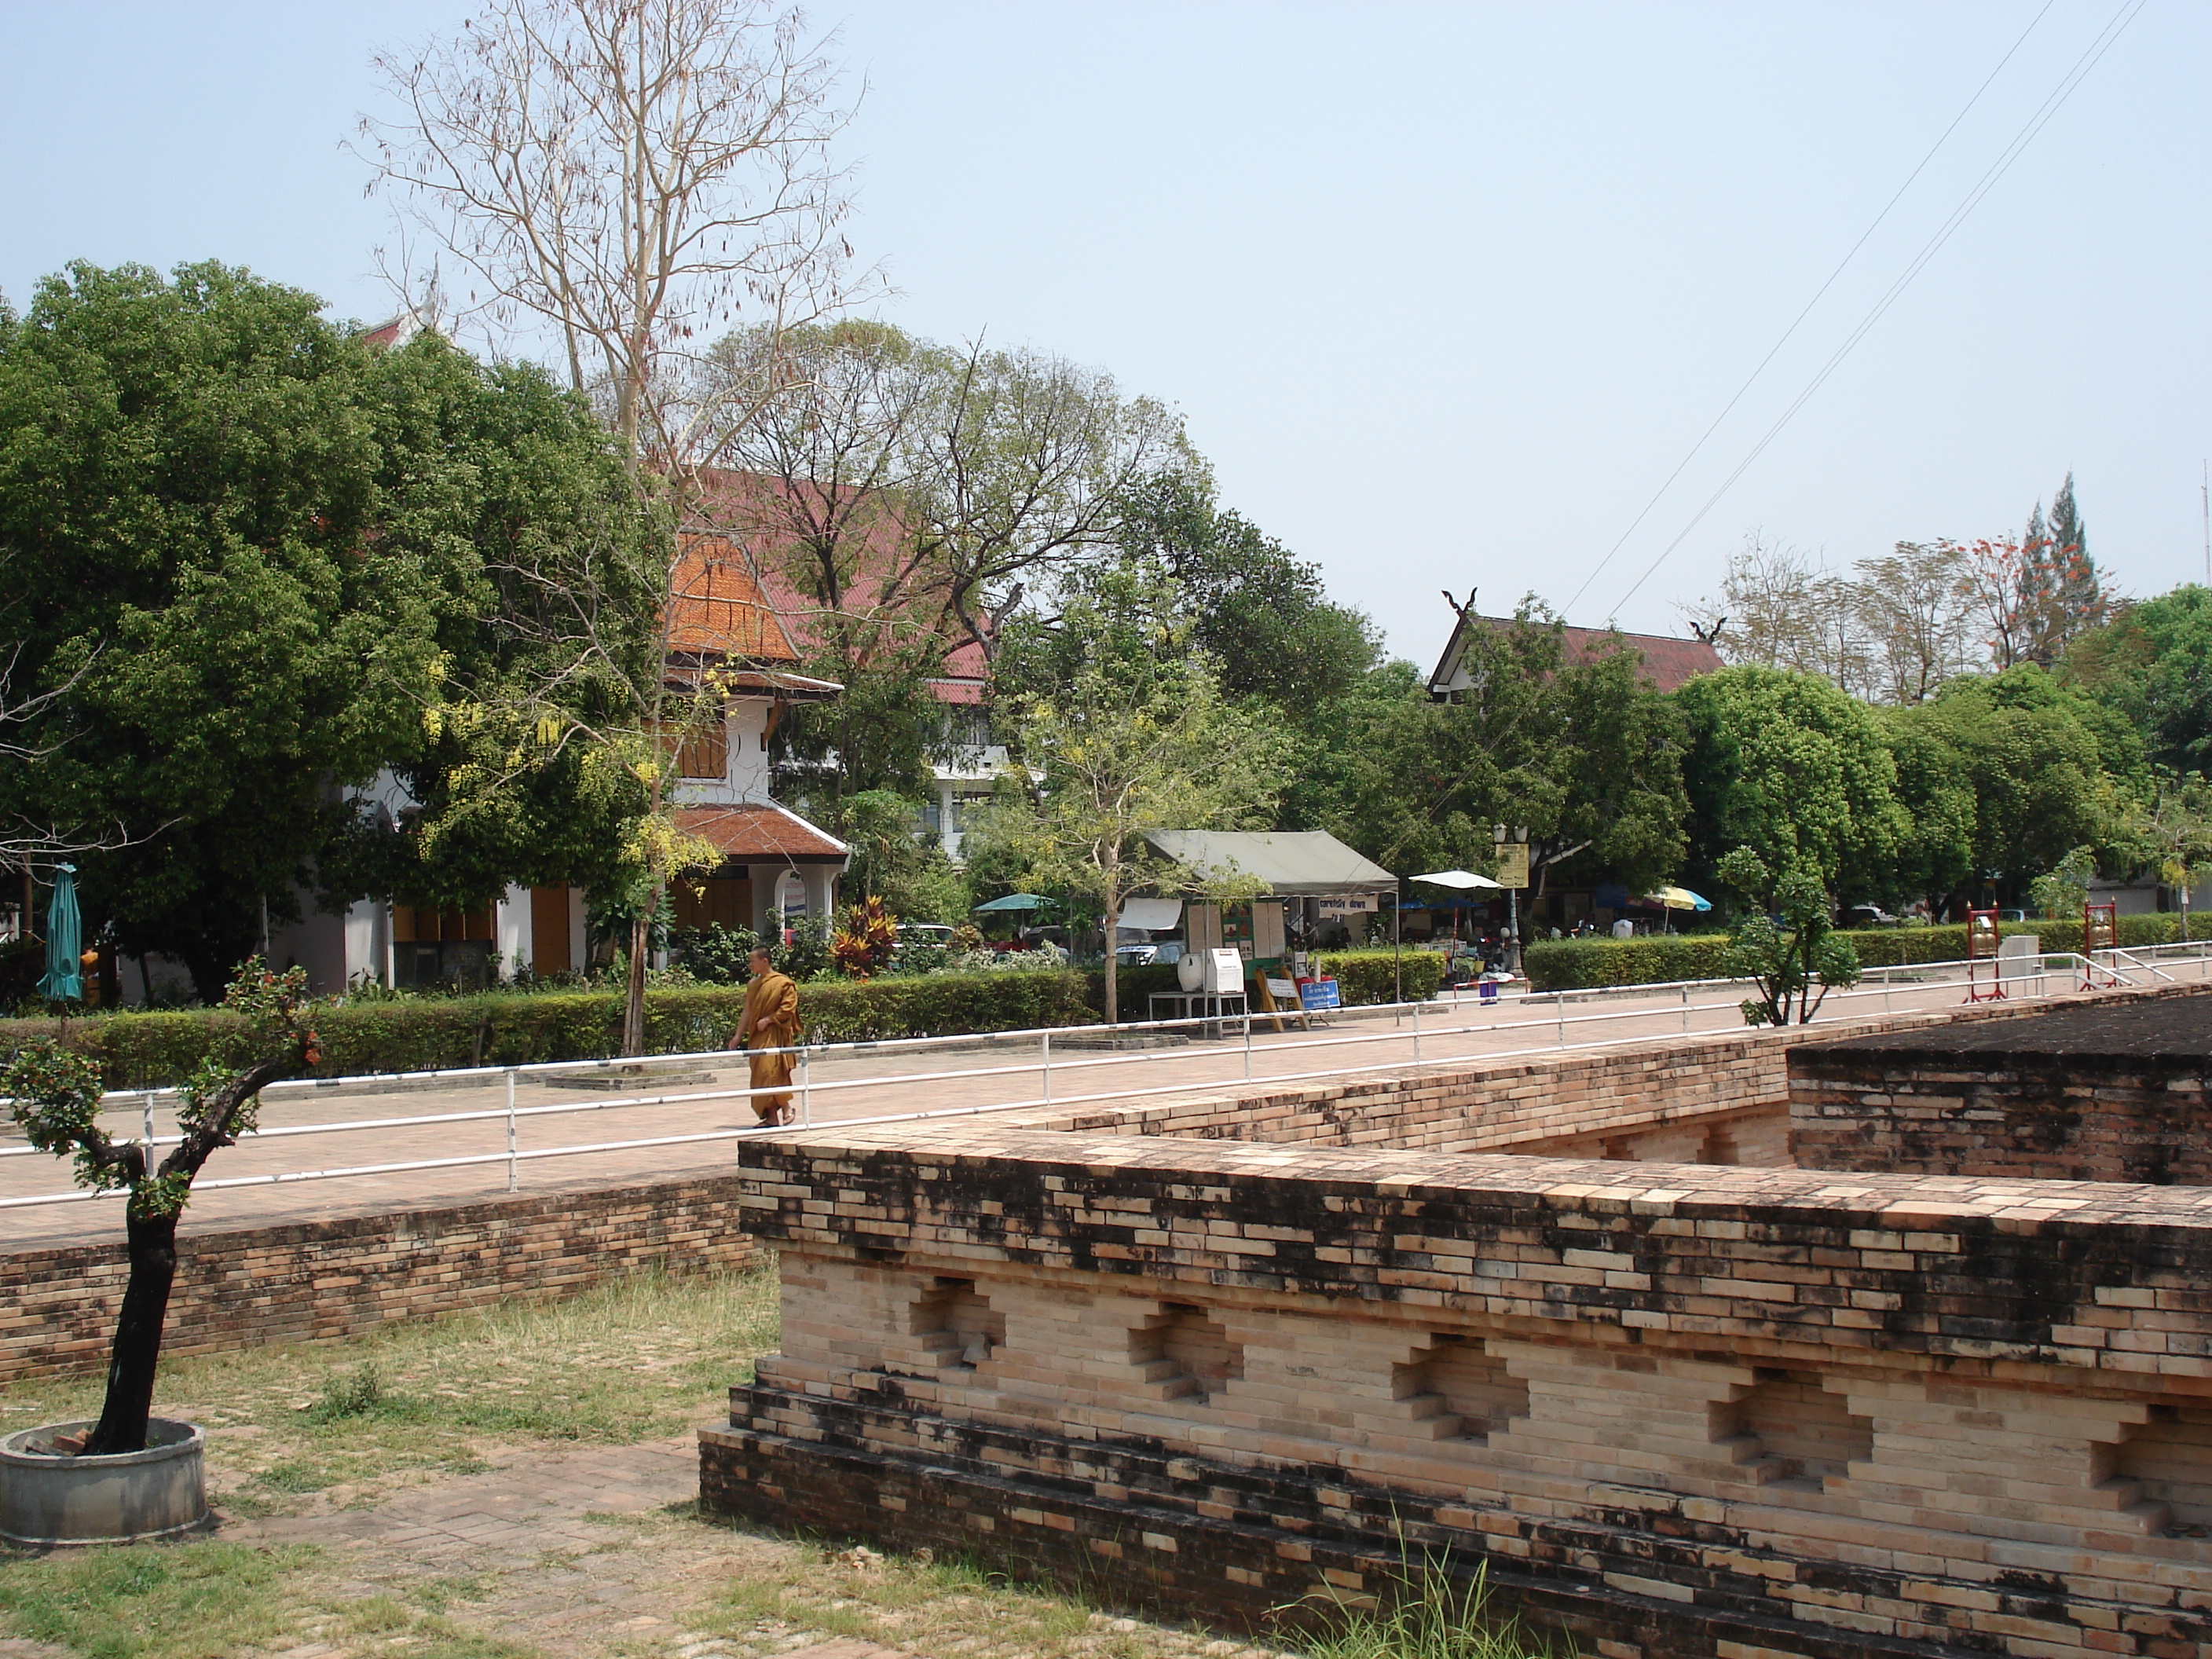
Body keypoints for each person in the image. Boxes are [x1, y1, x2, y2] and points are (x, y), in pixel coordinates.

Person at [733, 947, 802, 1126]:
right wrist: (738, 1036)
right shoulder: (753, 985)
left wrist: (770, 1019)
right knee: (760, 1076)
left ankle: (787, 1107)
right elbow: (747, 1011)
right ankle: (771, 1117)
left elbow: (788, 1007)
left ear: (765, 961)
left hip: (775, 1034)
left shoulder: (783, 983)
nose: (750, 965)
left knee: (770, 1072)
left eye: (753, 961)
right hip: (757, 1037)